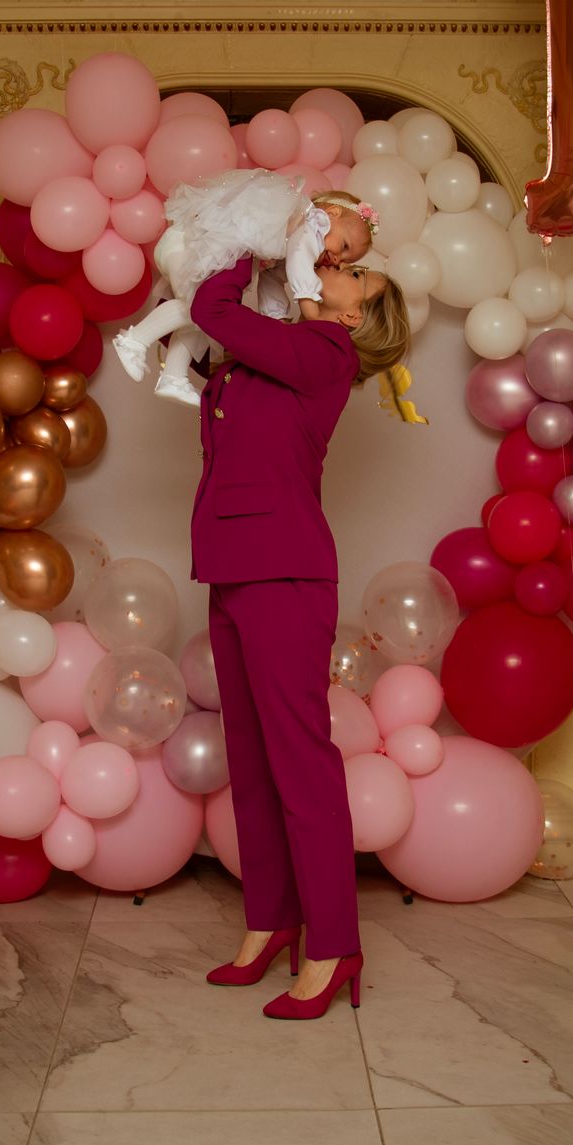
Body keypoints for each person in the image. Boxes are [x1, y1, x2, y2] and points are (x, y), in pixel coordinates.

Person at [185, 249, 411, 1020]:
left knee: (300, 768)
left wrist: (244, 243)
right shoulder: (279, 352)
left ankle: (335, 943)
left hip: (284, 574)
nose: (337, 265)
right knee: (250, 764)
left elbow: (212, 309)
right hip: (231, 565)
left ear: (353, 315)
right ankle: (270, 920)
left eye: (355, 275)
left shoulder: (326, 351)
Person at [112, 169, 378, 407]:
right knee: (197, 308)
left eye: (346, 260)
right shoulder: (311, 224)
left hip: (194, 248)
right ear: (331, 214)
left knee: (199, 317)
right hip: (191, 244)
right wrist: (312, 314)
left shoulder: (289, 240)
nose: (338, 261)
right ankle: (134, 341)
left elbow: (272, 280)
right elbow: (300, 266)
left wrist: (277, 317)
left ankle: (173, 376)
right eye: (344, 247)